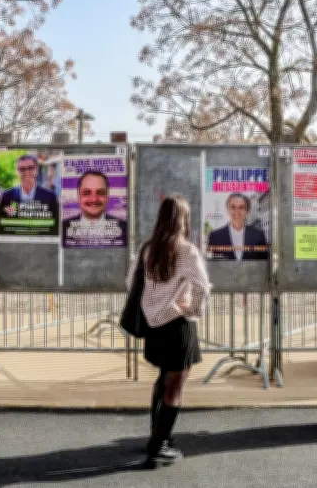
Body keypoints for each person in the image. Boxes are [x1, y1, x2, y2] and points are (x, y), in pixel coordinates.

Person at [125, 194, 211, 468]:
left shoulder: (147, 249)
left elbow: (130, 282)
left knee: (162, 379)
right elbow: (203, 286)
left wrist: (155, 302)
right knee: (175, 386)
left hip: (154, 328)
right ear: (183, 219)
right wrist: (191, 309)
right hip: (178, 326)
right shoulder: (186, 251)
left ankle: (157, 436)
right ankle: (160, 445)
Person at [62, 170, 128, 244]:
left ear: (107, 197)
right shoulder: (62, 228)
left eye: (100, 193)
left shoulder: (126, 228)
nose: (94, 199)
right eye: (87, 193)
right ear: (78, 197)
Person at [206, 193, 269, 261]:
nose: (237, 211)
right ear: (228, 210)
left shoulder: (259, 235)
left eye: (241, 207)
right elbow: (210, 264)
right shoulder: (215, 236)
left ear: (247, 211)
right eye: (233, 207)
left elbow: (264, 263)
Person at [0, 154, 58, 221]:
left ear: (37, 170)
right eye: (22, 169)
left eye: (30, 168)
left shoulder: (50, 196)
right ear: (17, 172)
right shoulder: (6, 196)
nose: (27, 172)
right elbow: (2, 222)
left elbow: (54, 224)